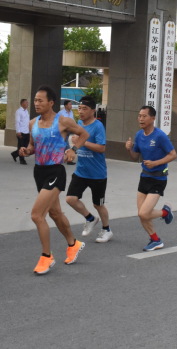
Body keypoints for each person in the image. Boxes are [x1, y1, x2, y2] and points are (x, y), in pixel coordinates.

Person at [19, 86, 89, 275]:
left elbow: (84, 134)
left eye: (40, 100)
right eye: (35, 100)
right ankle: (73, 244)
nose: (36, 103)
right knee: (55, 214)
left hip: (55, 172)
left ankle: (46, 256)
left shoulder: (63, 121)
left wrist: (73, 150)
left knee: (37, 215)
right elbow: (32, 146)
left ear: (51, 103)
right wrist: (26, 151)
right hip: (39, 172)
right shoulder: (32, 123)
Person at [125, 106, 177, 252]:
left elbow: (173, 155)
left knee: (144, 213)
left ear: (153, 118)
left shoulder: (160, 136)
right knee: (142, 215)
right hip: (144, 177)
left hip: (158, 178)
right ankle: (155, 240)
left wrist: (156, 163)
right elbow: (135, 157)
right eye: (139, 116)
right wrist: (129, 149)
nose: (141, 119)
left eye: (144, 116)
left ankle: (165, 213)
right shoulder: (139, 135)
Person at [65, 96, 113, 243]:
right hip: (81, 171)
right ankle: (90, 218)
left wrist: (82, 142)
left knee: (98, 204)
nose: (81, 111)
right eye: (79, 108)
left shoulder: (98, 126)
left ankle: (107, 230)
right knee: (70, 199)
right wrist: (70, 151)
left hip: (97, 174)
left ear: (92, 110)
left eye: (84, 109)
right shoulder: (79, 124)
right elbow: (75, 143)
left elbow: (102, 148)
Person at [11, 99, 30, 165]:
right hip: (21, 131)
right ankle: (22, 160)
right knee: (21, 146)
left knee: (26, 146)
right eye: (26, 102)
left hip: (27, 131)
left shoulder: (26, 111)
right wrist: (18, 131)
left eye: (27, 102)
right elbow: (17, 122)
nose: (27, 104)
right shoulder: (18, 111)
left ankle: (14, 154)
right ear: (22, 104)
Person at [58, 100, 76, 164]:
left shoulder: (71, 112)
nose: (71, 106)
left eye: (71, 104)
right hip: (63, 131)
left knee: (64, 143)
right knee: (66, 143)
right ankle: (69, 159)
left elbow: (73, 121)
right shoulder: (61, 113)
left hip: (69, 130)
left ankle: (63, 157)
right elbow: (58, 121)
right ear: (66, 105)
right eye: (70, 104)